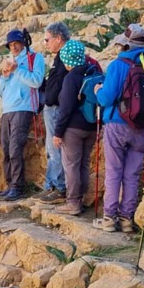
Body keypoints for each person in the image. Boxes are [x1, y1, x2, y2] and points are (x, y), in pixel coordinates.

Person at [93, 24, 144, 232]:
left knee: (114, 171)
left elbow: (106, 98)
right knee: (132, 174)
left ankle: (109, 219)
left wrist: (98, 90)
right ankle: (127, 219)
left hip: (117, 124)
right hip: (141, 127)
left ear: (126, 44)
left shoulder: (117, 65)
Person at [50, 40, 99, 216]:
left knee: (71, 166)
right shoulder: (92, 70)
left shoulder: (71, 77)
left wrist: (57, 133)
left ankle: (73, 203)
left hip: (73, 128)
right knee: (83, 164)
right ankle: (83, 198)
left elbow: (66, 108)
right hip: (91, 126)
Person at [0, 29, 45, 201]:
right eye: (10, 45)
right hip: (7, 109)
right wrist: (4, 76)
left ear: (23, 43)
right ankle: (10, 184)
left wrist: (17, 70)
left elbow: (37, 81)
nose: (14, 47)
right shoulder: (10, 61)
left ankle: (17, 186)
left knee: (15, 147)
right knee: (6, 148)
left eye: (16, 43)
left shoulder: (34, 58)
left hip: (24, 107)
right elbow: (1, 91)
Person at [38, 22, 71, 203]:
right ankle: (50, 184)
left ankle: (59, 188)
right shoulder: (59, 57)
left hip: (57, 108)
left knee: (56, 148)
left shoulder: (66, 57)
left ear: (59, 38)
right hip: (51, 107)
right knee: (51, 149)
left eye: (47, 39)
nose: (46, 44)